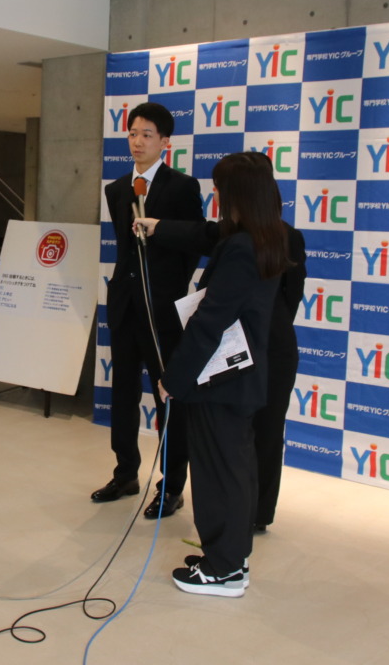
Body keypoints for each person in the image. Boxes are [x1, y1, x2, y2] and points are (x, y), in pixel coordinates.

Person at [138, 165, 306, 536]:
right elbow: (199, 233)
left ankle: (254, 517)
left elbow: (291, 296)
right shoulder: (235, 233)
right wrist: (157, 226)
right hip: (233, 353)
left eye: (221, 189)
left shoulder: (281, 238)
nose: (216, 196)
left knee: (264, 434)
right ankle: (233, 529)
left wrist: (262, 329)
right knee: (230, 449)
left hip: (271, 351)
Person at [154, 151, 290, 597]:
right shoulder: (267, 238)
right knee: (235, 469)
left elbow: (210, 322)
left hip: (221, 382)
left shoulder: (241, 248)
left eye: (221, 189)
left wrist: (174, 379)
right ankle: (230, 559)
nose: (217, 196)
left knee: (219, 474)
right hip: (240, 379)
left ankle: (224, 570)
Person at [94, 101, 203, 518]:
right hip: (124, 305)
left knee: (168, 396)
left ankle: (171, 486)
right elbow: (125, 250)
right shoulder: (116, 189)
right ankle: (125, 473)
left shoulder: (182, 187)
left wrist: (168, 289)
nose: (137, 142)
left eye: (146, 135)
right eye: (132, 133)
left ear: (165, 141)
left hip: (162, 310)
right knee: (122, 392)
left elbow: (195, 242)